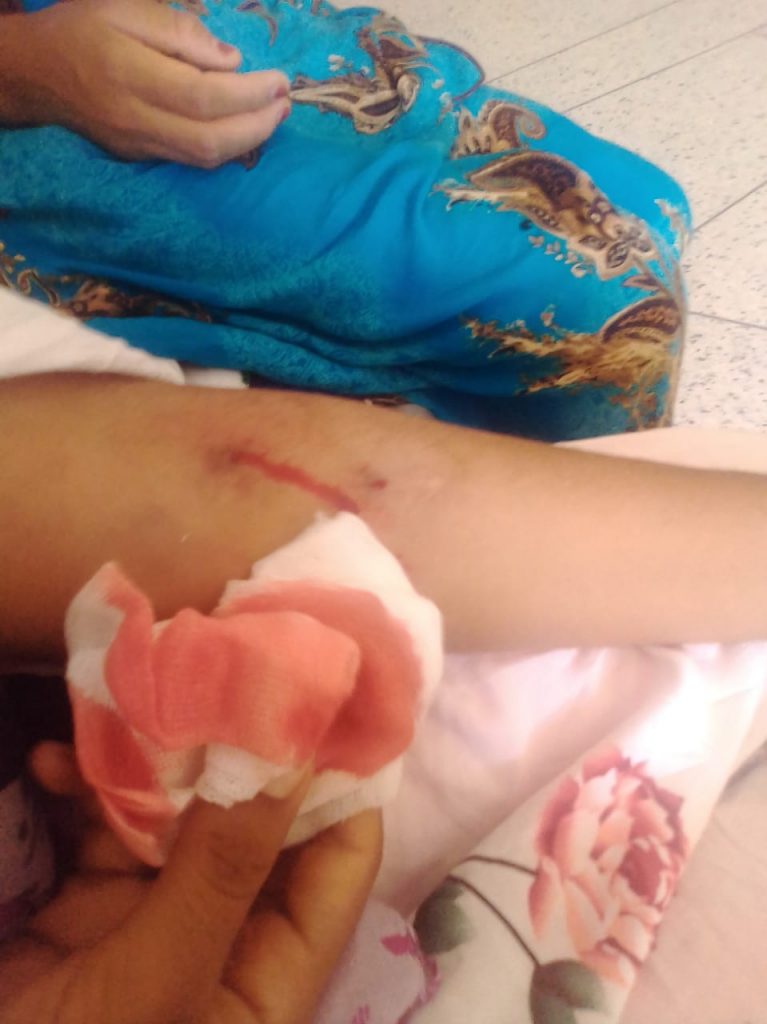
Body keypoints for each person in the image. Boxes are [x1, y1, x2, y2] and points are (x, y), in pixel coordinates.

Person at [0, 0, 689, 440]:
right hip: (54, 90)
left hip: (230, 26)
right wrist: (25, 65)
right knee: (599, 305)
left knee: (656, 203)